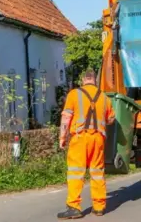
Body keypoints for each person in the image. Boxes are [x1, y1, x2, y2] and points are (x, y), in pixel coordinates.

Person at [57, 69, 115, 220]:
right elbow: (111, 119)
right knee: (97, 172)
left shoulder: (74, 94)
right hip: (98, 138)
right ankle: (99, 206)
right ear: (94, 80)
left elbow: (66, 118)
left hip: (80, 138)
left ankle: (74, 207)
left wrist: (62, 137)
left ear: (83, 80)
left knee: (76, 172)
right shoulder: (104, 97)